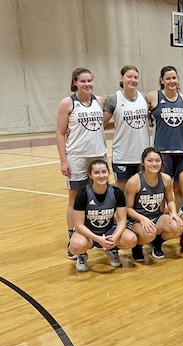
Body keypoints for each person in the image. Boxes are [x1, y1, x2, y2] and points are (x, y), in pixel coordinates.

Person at [56, 67, 107, 260]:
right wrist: (63, 160)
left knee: (101, 197)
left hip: (98, 156)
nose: (87, 84)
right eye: (83, 81)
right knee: (75, 199)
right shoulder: (67, 103)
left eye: (89, 81)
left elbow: (105, 123)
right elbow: (60, 133)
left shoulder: (100, 101)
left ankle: (98, 234)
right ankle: (73, 238)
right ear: (75, 82)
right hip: (77, 157)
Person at [69, 159, 137, 272]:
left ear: (108, 173)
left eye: (104, 172)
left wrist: (114, 238)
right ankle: (82, 255)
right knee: (76, 246)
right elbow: (79, 224)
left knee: (131, 239)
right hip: (88, 233)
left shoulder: (116, 192)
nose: (101, 175)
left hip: (109, 230)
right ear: (90, 175)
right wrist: (98, 239)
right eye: (96, 173)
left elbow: (122, 220)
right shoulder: (83, 194)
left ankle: (113, 249)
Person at [125, 147, 183, 261]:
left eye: (157, 160)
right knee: (148, 233)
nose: (154, 164)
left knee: (178, 227)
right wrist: (142, 219)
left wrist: (174, 213)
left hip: (157, 217)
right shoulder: (134, 181)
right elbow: (128, 209)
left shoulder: (165, 179)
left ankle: (157, 242)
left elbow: (170, 200)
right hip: (137, 220)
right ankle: (137, 246)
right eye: (150, 160)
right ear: (143, 162)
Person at [147, 66, 183, 208]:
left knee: (178, 187)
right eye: (168, 78)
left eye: (174, 78)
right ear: (162, 80)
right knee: (161, 188)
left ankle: (178, 216)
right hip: (162, 151)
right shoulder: (153, 96)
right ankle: (159, 217)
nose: (172, 81)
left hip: (181, 151)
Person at [103, 65, 150, 192]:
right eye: (129, 76)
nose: (132, 80)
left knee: (141, 194)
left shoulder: (144, 98)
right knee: (123, 196)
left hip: (143, 155)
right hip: (123, 155)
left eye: (135, 77)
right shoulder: (114, 99)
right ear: (121, 78)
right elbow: (101, 124)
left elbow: (150, 121)